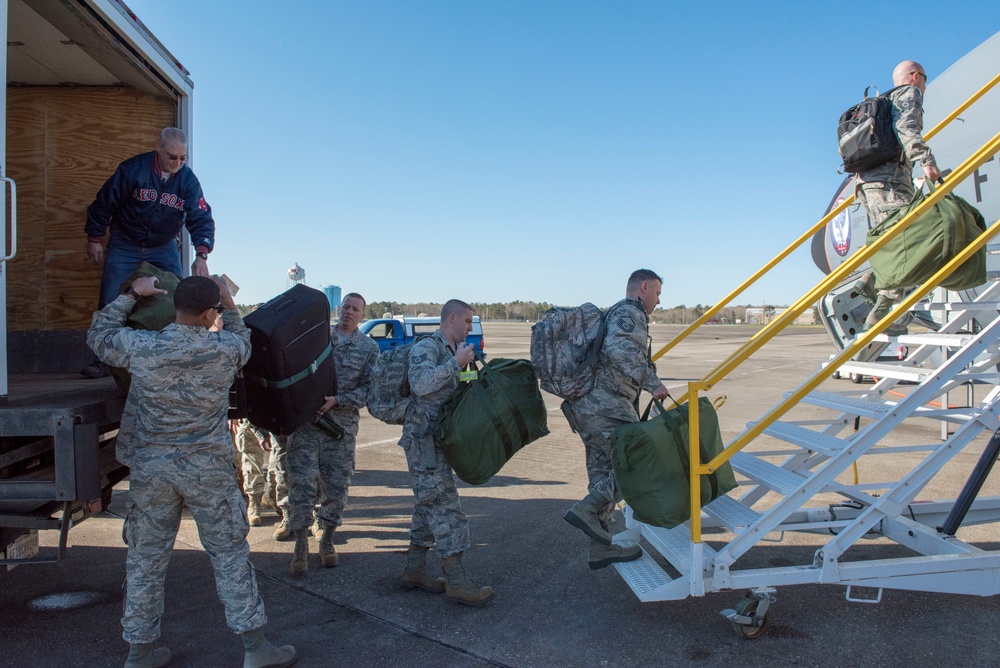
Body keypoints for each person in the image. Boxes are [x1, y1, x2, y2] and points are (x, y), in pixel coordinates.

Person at [87, 274, 296, 668]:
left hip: (153, 472)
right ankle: (255, 648)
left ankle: (140, 652)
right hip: (207, 471)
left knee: (146, 560)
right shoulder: (226, 349)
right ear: (208, 313)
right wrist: (228, 304)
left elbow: (100, 335)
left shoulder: (143, 347)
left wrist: (133, 294)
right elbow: (243, 336)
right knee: (230, 555)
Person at [81, 127, 216, 378]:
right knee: (112, 295)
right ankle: (102, 359)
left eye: (183, 158)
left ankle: (176, 354)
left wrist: (201, 254)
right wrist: (95, 237)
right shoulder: (133, 169)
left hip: (163, 245)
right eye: (172, 157)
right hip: (125, 240)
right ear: (159, 148)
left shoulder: (187, 181)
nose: (177, 163)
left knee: (178, 296)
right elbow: (104, 202)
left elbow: (201, 217)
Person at [562, 269, 669, 570]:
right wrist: (653, 382)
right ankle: (587, 508)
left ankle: (600, 547)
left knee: (603, 473)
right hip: (606, 405)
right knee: (638, 461)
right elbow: (619, 351)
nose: (658, 301)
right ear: (644, 287)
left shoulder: (613, 313)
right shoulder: (629, 312)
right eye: (658, 293)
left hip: (588, 407)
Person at [398, 299, 493, 605]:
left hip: (439, 440)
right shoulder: (428, 348)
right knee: (445, 507)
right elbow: (421, 384)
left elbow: (458, 392)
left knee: (427, 505)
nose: (469, 327)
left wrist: (469, 371)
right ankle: (456, 580)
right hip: (423, 443)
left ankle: (414, 570)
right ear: (452, 318)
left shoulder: (454, 350)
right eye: (467, 321)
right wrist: (456, 363)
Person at [286, 293, 379, 575]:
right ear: (339, 310)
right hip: (305, 426)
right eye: (345, 307)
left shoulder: (369, 348)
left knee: (336, 488)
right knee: (301, 486)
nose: (349, 313)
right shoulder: (317, 338)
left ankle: (327, 540)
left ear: (362, 315)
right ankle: (300, 545)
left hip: (339, 430)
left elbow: (369, 391)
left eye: (355, 309)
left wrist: (338, 399)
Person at [854, 61, 942, 334]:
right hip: (890, 182)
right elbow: (907, 127)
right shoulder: (908, 94)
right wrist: (925, 160)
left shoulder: (882, 101)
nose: (924, 86)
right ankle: (881, 316)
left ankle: (870, 280)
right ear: (916, 76)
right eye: (924, 80)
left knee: (894, 242)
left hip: (868, 185)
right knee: (915, 240)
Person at [233, 419, 272, 526]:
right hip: (249, 414)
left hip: (277, 411)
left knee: (279, 461)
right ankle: (254, 500)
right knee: (251, 459)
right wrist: (234, 414)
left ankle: (272, 496)